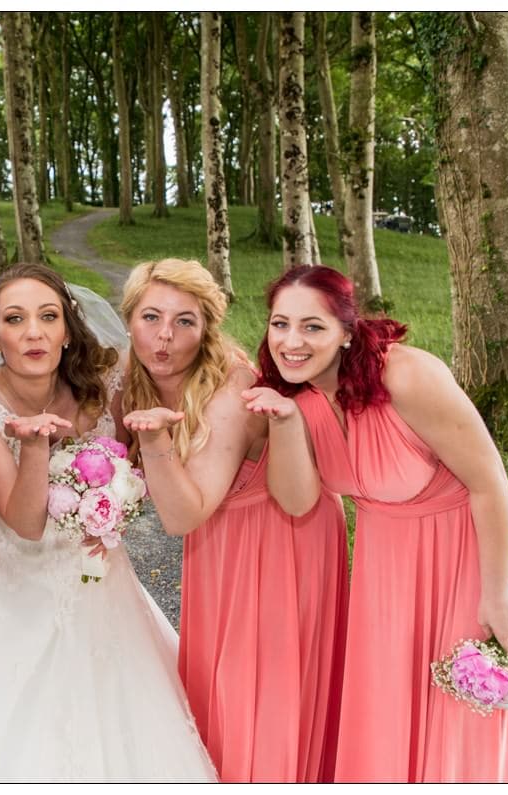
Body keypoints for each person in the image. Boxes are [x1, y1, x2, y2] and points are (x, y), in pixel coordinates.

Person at [0, 263, 216, 783]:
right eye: (15, 318)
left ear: (68, 331)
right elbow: (24, 522)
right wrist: (33, 446)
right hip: (2, 558)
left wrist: (112, 502)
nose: (33, 332)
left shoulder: (102, 388)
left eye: (48, 317)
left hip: (87, 560)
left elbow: (135, 462)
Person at [244, 264, 508, 782]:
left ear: (347, 332)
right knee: (385, 703)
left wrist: (496, 592)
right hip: (383, 564)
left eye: (313, 326)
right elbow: (297, 501)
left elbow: (489, 480)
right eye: (280, 324)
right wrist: (284, 424)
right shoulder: (298, 396)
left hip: (461, 557)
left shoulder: (406, 375)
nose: (292, 341)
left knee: (456, 713)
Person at [119, 259, 347, 782]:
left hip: (280, 544)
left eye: (185, 322)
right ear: (128, 319)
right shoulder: (138, 381)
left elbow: (180, 515)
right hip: (220, 549)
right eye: (151, 317)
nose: (165, 337)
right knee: (216, 700)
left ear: (206, 330)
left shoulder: (233, 391)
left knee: (260, 704)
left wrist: (153, 444)